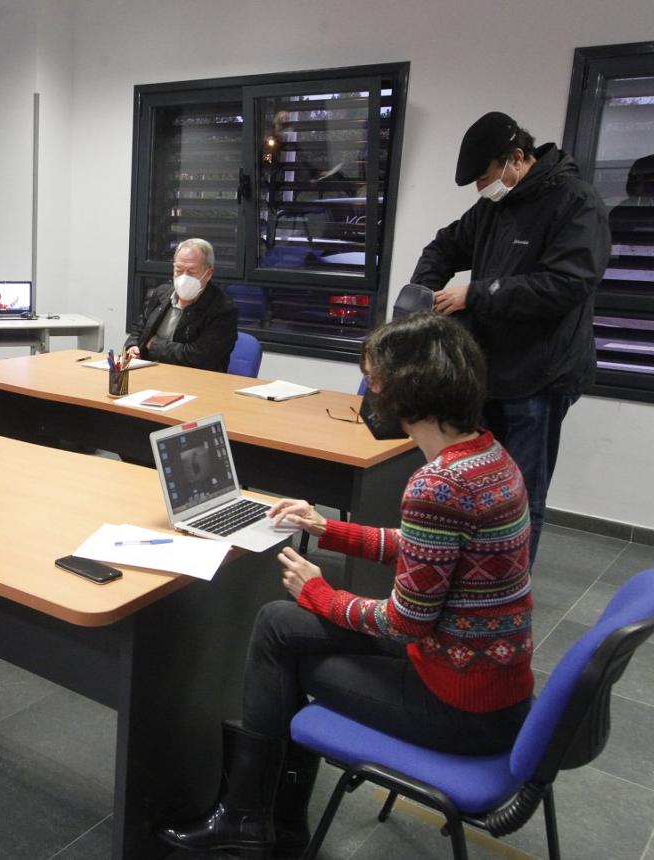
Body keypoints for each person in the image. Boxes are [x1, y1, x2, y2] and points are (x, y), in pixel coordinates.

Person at [159, 312, 532, 858]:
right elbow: (426, 548)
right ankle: (269, 819)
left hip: (459, 706)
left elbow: (406, 620)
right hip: (486, 678)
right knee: (277, 622)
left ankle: (249, 818)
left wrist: (320, 593)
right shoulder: (488, 457)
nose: (368, 397)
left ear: (408, 394)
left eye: (375, 385)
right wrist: (328, 530)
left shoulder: (437, 484)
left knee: (287, 652)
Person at [411, 111, 610, 562]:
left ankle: (508, 590)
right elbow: (442, 247)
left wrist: (475, 296)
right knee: (480, 488)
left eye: (485, 178)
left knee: (521, 496)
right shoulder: (494, 207)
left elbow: (566, 284)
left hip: (541, 377)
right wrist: (423, 293)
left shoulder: (576, 203)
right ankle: (472, 577)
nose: (483, 190)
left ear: (517, 158)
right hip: (490, 374)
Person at [125, 237, 238, 372]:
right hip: (150, 373)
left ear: (208, 274)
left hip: (194, 380)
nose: (183, 277)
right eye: (178, 270)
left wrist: (154, 345)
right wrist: (132, 346)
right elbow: (141, 327)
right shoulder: (162, 293)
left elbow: (198, 357)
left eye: (191, 272)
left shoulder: (223, 309)